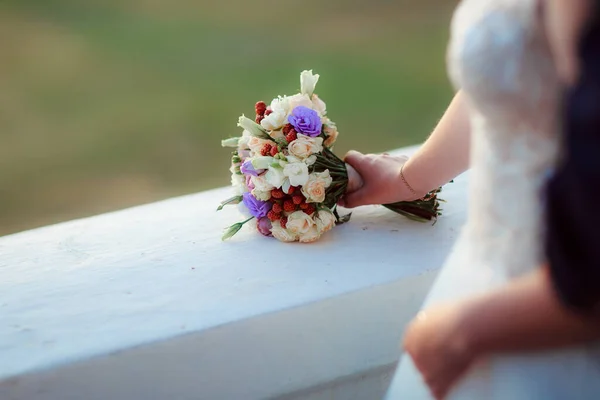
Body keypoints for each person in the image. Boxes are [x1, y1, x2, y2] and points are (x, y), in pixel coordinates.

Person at [342, 0, 600, 399]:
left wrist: (465, 330)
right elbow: (516, 76)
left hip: (542, 316)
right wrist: (410, 178)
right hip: (484, 273)